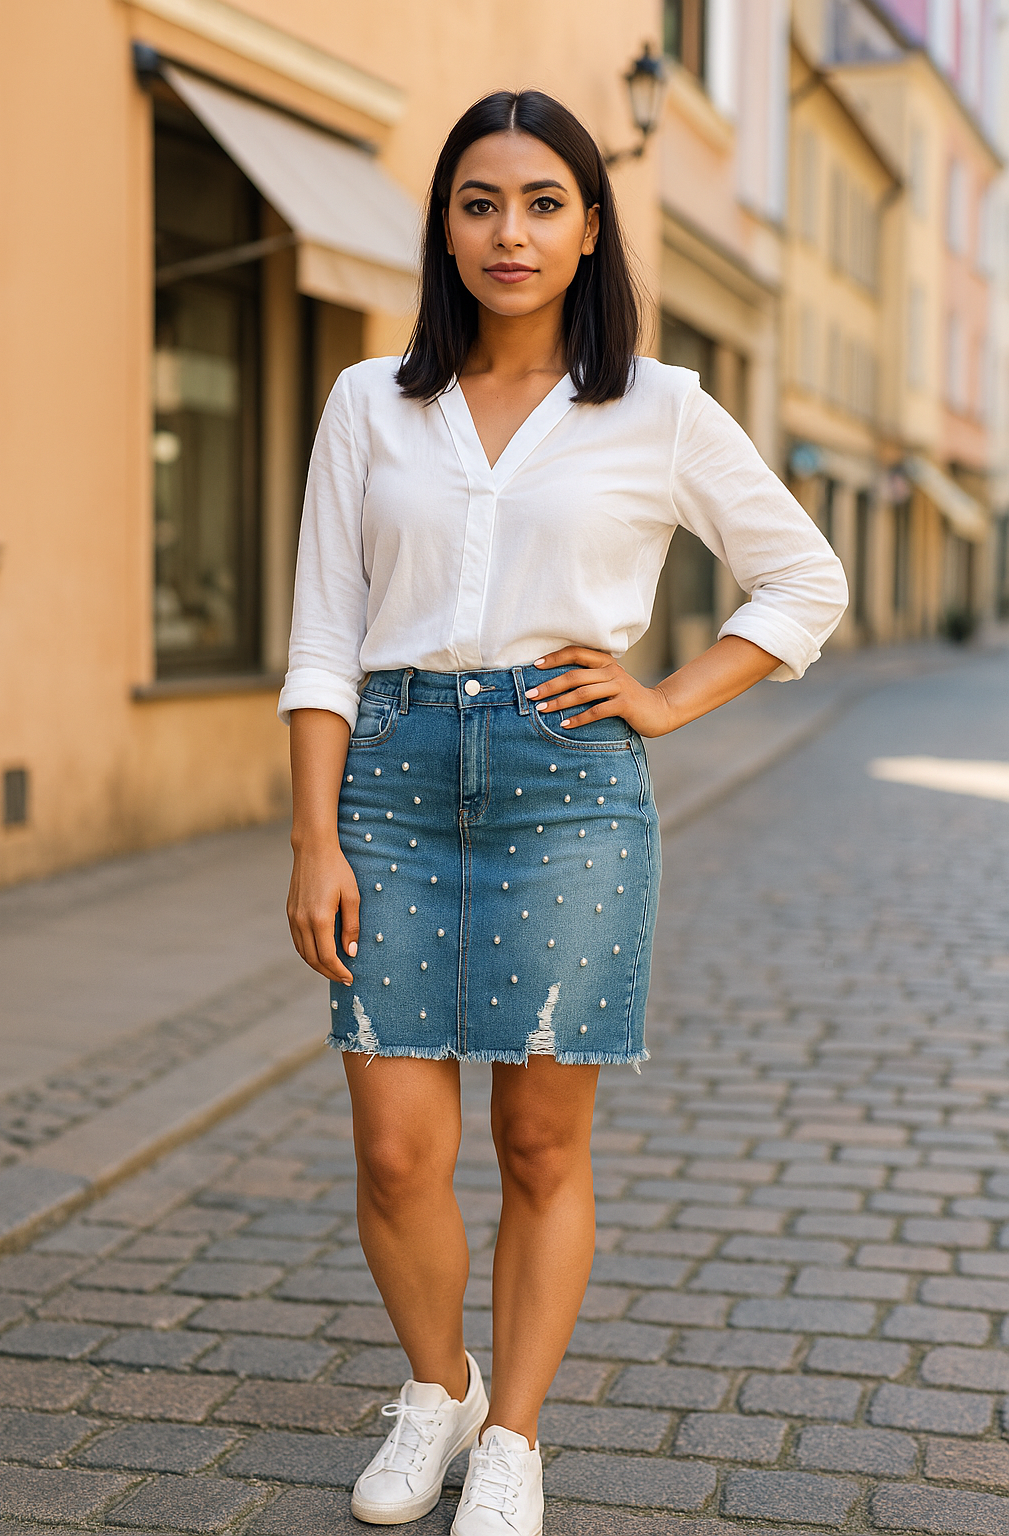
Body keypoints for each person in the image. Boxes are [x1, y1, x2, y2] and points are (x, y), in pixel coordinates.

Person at [279, 88, 847, 1536]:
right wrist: (312, 837)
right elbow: (325, 639)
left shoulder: (659, 407)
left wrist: (663, 699)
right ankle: (439, 1386)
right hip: (393, 785)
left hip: (567, 788)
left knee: (542, 1148)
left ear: (592, 227)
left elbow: (804, 581)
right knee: (394, 1146)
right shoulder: (368, 402)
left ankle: (515, 1433)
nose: (510, 231)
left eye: (543, 203)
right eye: (480, 202)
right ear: (445, 227)